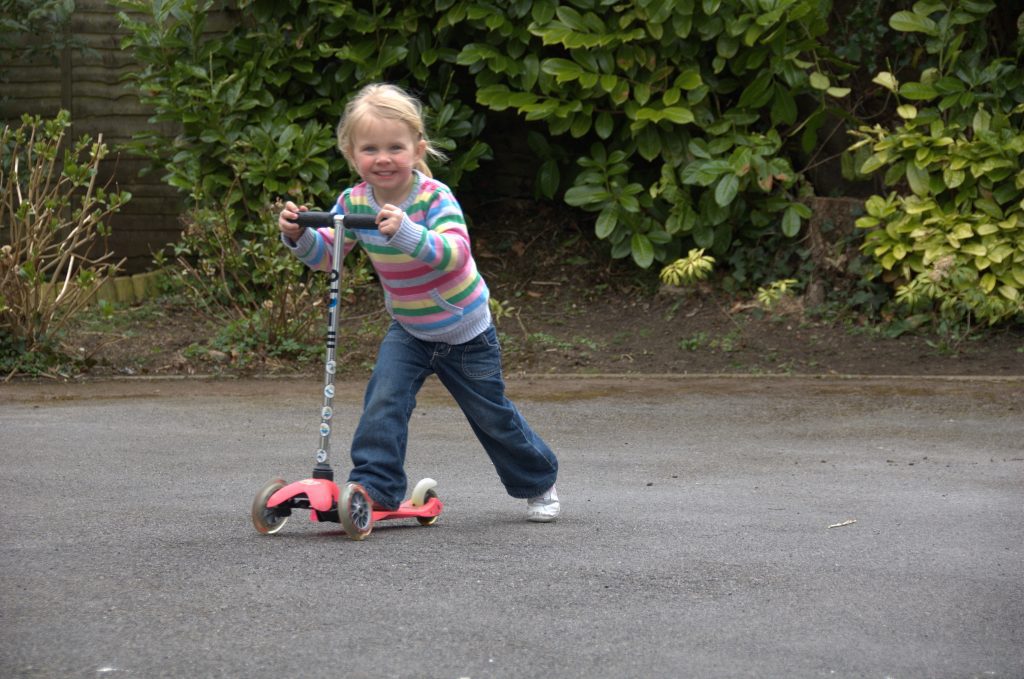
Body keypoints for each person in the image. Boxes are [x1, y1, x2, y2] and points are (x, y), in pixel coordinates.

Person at [278, 83, 560, 522]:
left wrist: (406, 231)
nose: (383, 158)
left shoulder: (434, 197)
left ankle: (537, 481)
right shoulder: (352, 201)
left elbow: (455, 254)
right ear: (353, 155)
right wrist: (298, 235)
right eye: (370, 149)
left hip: (466, 331)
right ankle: (376, 487)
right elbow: (325, 257)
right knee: (384, 401)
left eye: (395, 146)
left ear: (417, 148)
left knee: (491, 416)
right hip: (409, 331)